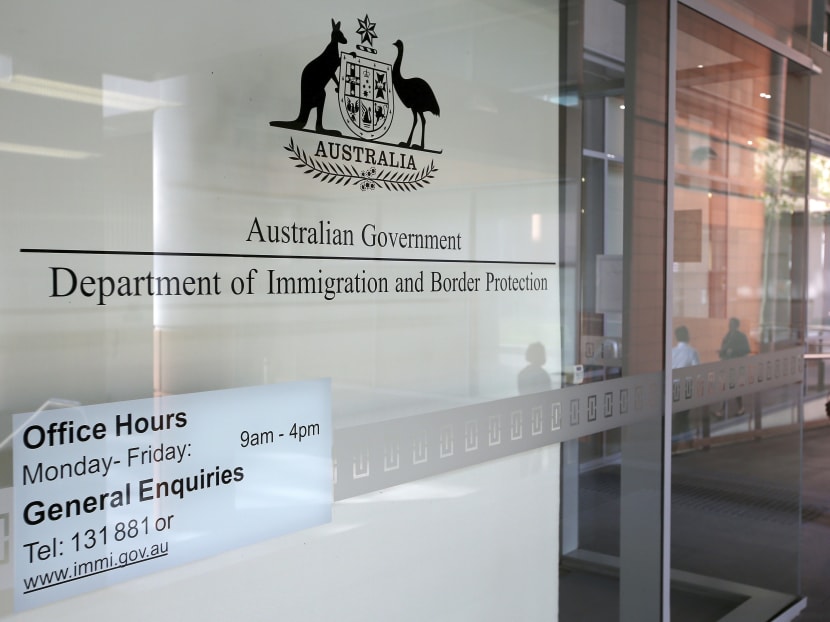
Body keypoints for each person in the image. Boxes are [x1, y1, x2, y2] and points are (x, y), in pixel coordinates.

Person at [718, 317, 750, 416]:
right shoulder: (727, 336)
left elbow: (746, 349)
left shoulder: (741, 336)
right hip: (727, 365)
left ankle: (728, 409)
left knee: (731, 387)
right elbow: (723, 348)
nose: (729, 325)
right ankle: (736, 408)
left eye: (732, 324)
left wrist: (734, 351)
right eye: (729, 323)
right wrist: (722, 353)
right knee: (729, 387)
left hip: (736, 366)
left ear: (736, 325)